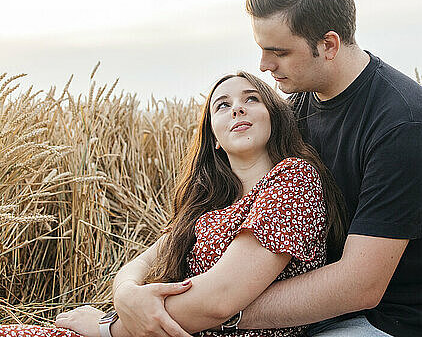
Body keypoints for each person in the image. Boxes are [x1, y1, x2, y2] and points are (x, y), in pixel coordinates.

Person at [116, 0, 422, 337]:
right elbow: (217, 214)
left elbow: (360, 285)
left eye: (278, 52)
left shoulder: (401, 122)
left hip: (381, 321)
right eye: (262, 49)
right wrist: (128, 290)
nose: (263, 65)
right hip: (291, 315)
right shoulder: (292, 112)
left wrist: (216, 315)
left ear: (327, 45)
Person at [0, 71, 347, 337]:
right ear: (214, 139)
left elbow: (219, 300)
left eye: (251, 98)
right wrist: (125, 296)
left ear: (274, 116)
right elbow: (138, 264)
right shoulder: (211, 207)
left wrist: (109, 328)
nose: (237, 107)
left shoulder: (293, 178)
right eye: (222, 105)